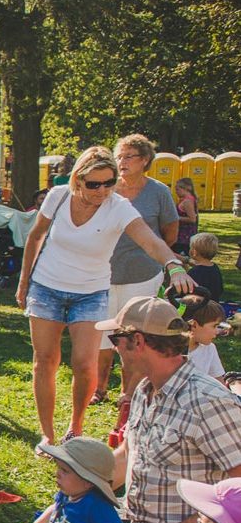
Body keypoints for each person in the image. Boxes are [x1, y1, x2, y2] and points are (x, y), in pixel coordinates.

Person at [65, 297, 241, 523]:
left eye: (116, 339)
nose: (114, 347)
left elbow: (238, 485)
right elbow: (124, 457)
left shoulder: (208, 400)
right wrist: (70, 499)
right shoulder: (147, 389)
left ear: (138, 341)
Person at [17, 146, 193, 447]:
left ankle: (76, 427)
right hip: (47, 286)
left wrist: (173, 265)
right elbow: (35, 236)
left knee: (85, 363)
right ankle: (47, 435)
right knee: (45, 361)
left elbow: (150, 241)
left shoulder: (118, 206)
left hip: (90, 291)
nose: (102, 190)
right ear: (78, 180)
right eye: (94, 184)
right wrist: (24, 283)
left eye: (109, 182)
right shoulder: (58, 197)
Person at [94, 134, 179, 407]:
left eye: (128, 156)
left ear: (145, 160)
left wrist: (154, 255)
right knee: (102, 335)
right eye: (118, 156)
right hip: (104, 273)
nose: (122, 162)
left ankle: (129, 393)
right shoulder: (106, 189)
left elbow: (170, 233)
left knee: (133, 336)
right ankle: (99, 388)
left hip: (143, 273)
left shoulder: (158, 192)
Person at [181, 295, 227, 381]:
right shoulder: (170, 352)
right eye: (214, 326)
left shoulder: (210, 349)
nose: (217, 331)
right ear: (194, 325)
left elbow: (219, 382)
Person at [187, 232, 223, 300]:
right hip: (213, 305)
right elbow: (220, 289)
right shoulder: (215, 268)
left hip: (196, 306)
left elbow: (186, 292)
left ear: (194, 252)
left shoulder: (194, 272)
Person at [174, 177, 200, 256]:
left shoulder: (187, 201)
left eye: (177, 189)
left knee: (181, 258)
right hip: (181, 235)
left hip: (184, 237)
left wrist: (175, 218)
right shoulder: (185, 200)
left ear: (185, 189)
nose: (176, 192)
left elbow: (192, 219)